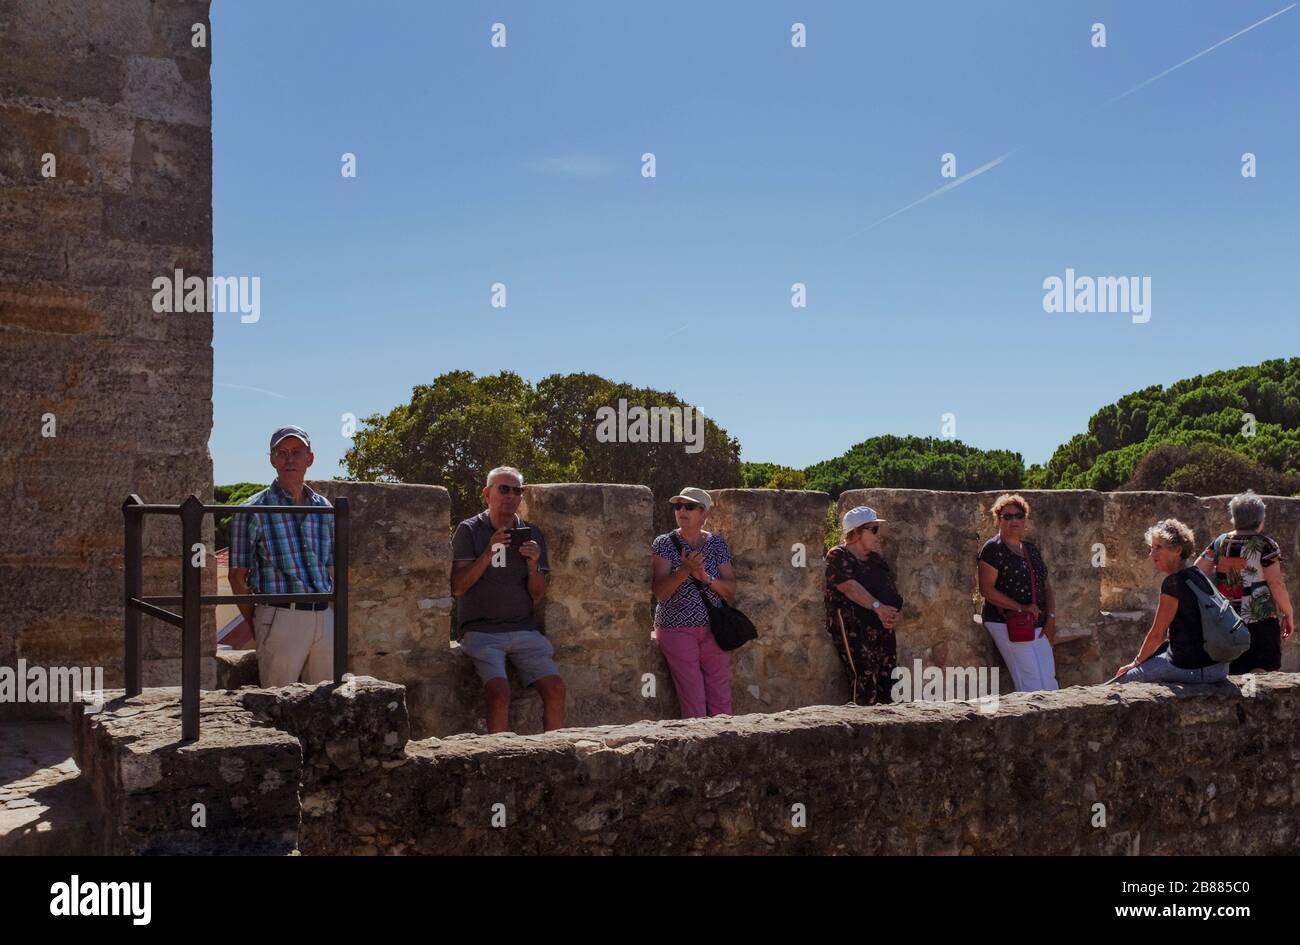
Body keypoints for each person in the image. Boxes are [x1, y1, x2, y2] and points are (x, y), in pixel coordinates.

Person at [451, 466, 565, 733]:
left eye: (518, 491)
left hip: (524, 629)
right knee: (499, 692)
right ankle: (500, 761)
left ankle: (557, 756)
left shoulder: (532, 534)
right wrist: (489, 552)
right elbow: (458, 587)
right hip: (481, 631)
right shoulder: (469, 531)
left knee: (556, 688)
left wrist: (533, 564)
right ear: (487, 494)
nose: (512, 496)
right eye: (504, 489)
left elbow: (537, 594)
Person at [228, 425, 336, 687]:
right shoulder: (252, 510)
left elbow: (331, 566)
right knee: (277, 705)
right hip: (280, 614)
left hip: (323, 614)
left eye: (297, 452)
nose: (290, 459)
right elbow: (236, 577)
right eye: (282, 452)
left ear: (309, 458)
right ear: (272, 459)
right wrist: (259, 623)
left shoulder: (324, 508)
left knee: (328, 705)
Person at [650, 487, 737, 718]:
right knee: (693, 695)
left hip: (714, 627)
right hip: (676, 627)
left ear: (704, 514)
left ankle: (726, 744)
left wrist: (705, 578)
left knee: (720, 693)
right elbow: (660, 592)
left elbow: (729, 589)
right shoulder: (664, 543)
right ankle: (699, 747)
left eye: (689, 506)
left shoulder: (717, 544)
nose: (682, 511)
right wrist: (684, 571)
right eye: (678, 506)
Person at [1115, 519, 1230, 684]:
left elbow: (1157, 635)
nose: (1152, 555)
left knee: (1123, 681)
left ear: (1177, 550)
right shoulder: (1197, 574)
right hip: (1218, 668)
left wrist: (1136, 663)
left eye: (1158, 548)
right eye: (1151, 548)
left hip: (1192, 669)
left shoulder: (1173, 584)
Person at [1195, 490, 1294, 674]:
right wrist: (1288, 613)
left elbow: (1197, 571)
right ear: (1260, 519)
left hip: (1227, 620)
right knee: (1260, 671)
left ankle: (1241, 701)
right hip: (1260, 620)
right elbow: (1276, 583)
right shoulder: (1266, 545)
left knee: (1232, 671)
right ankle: (1253, 699)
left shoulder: (1220, 542)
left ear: (1234, 517)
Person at [977, 493, 1059, 692]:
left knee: (1049, 679)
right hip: (1008, 622)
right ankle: (1035, 722)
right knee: (1029, 680)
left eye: (1018, 515)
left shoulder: (1030, 549)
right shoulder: (993, 549)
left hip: (1037, 623)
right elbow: (986, 589)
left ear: (1025, 519)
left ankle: (1051, 722)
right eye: (1007, 516)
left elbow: (1045, 585)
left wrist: (1051, 618)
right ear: (998, 519)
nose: (1014, 520)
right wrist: (1021, 608)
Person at [825, 506, 902, 705]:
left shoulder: (876, 561)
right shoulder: (838, 556)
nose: (878, 535)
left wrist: (893, 615)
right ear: (857, 532)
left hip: (881, 629)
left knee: (890, 681)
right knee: (865, 678)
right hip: (854, 627)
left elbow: (891, 594)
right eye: (873, 529)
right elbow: (849, 586)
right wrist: (878, 607)